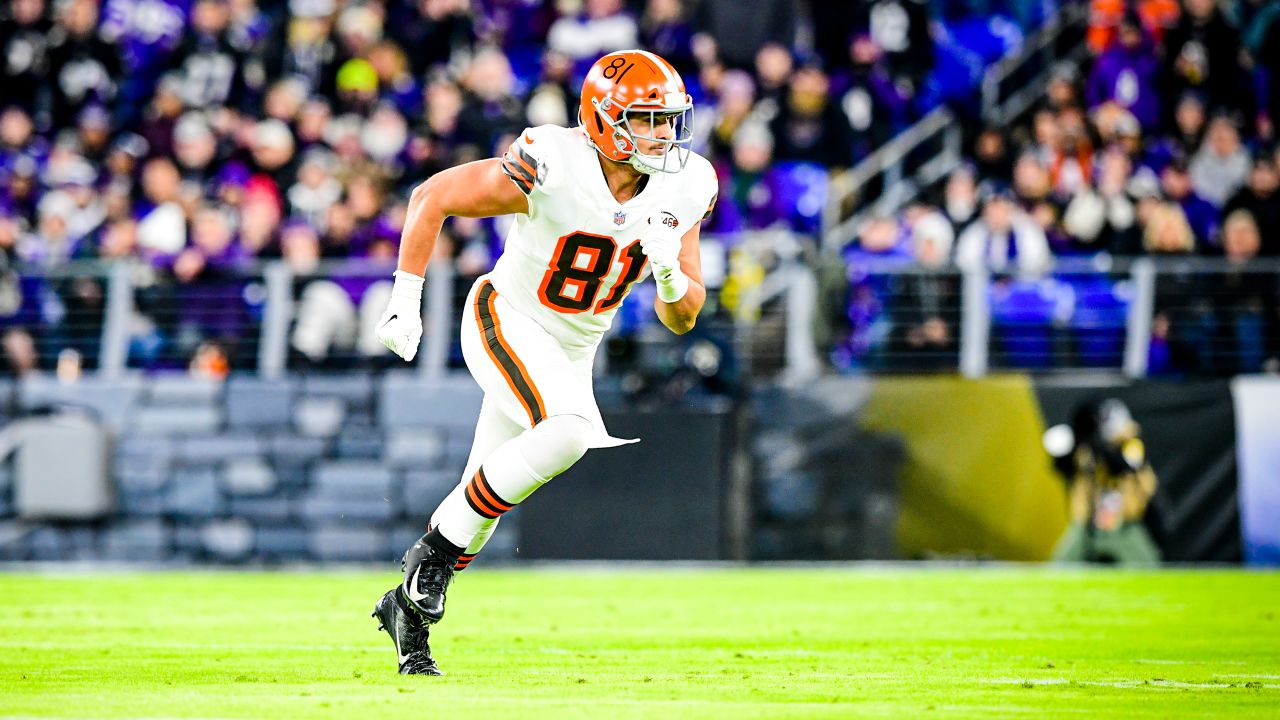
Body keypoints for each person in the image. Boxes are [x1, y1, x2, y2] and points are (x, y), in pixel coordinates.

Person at [368, 50, 718, 675]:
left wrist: (668, 274)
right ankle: (428, 556)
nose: (664, 135)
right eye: (647, 120)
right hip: (507, 317)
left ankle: (408, 614)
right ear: (606, 119)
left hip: (572, 349)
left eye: (669, 121)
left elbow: (684, 315)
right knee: (568, 432)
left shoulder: (686, 183)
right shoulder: (555, 160)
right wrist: (405, 298)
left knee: (482, 505)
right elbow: (433, 195)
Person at [1044, 398, 1162, 566]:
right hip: (1087, 522)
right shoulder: (1086, 448)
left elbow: (1123, 466)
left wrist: (1101, 445)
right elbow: (1062, 468)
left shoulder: (1132, 445)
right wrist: (1082, 441)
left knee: (1147, 567)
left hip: (1124, 524)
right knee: (1061, 566)